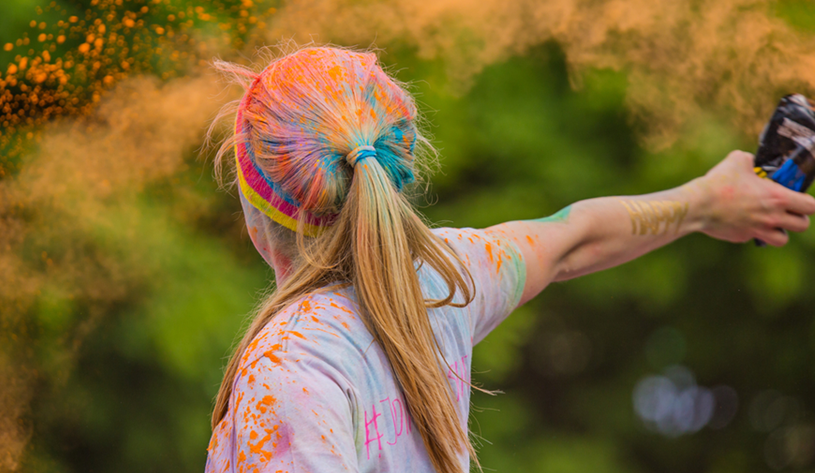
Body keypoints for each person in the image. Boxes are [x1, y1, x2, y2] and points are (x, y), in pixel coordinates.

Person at [203, 47, 815, 473]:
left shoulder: (286, 369)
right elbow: (574, 236)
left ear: (256, 213)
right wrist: (707, 201)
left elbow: (577, 236)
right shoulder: (437, 281)